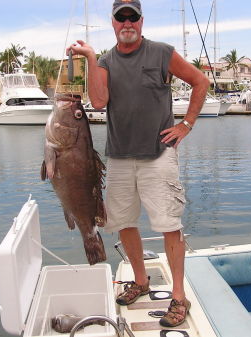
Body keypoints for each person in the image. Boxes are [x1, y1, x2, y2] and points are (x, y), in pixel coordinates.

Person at [70, 0, 209, 328]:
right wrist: (90, 58)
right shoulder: (104, 60)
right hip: (118, 158)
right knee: (124, 222)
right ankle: (141, 280)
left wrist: (186, 124)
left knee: (169, 225)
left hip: (158, 155)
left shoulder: (161, 53)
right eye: (122, 18)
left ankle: (178, 296)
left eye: (133, 17)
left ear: (142, 21)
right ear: (114, 23)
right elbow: (99, 101)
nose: (128, 22)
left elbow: (200, 82)